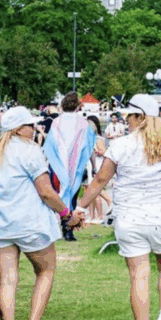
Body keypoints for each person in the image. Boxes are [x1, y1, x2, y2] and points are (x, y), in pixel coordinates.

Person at [75, 95, 161, 320]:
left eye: (129, 116)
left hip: (130, 219)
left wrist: (80, 207)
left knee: (138, 276)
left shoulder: (121, 145)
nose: (126, 120)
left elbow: (101, 180)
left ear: (139, 117)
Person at [0, 107, 83, 320]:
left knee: (7, 280)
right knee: (45, 270)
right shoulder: (32, 152)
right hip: (30, 222)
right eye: (31, 125)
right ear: (18, 129)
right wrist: (66, 213)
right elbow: (46, 192)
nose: (35, 129)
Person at [43, 92, 97, 242]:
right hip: (76, 167)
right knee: (72, 196)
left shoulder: (56, 123)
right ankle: (69, 228)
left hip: (58, 166)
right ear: (78, 106)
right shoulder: (83, 124)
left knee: (56, 195)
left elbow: (49, 145)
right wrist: (93, 165)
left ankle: (56, 225)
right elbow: (89, 147)